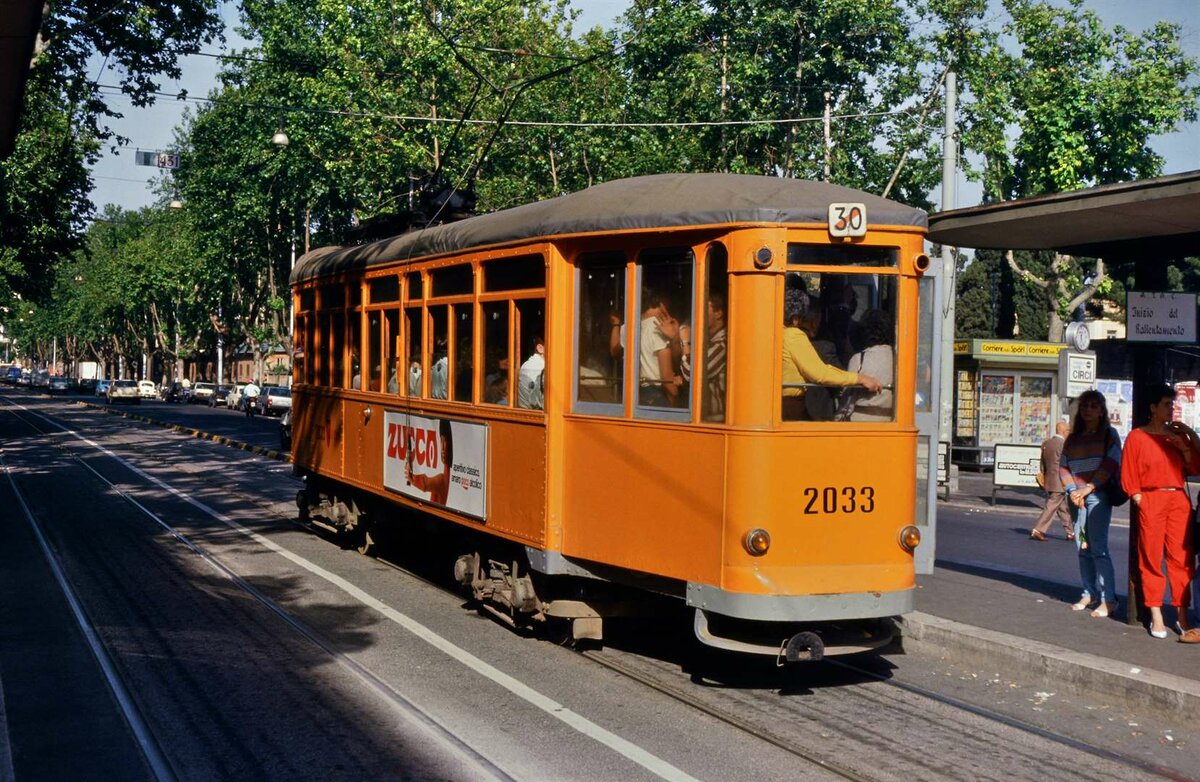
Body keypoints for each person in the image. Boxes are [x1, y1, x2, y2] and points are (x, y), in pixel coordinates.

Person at [1120, 384, 1200, 640]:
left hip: (1178, 497)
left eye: (1171, 404)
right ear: (1153, 408)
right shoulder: (1137, 436)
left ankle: (1182, 613)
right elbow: (1129, 471)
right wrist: (1139, 497)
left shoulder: (1176, 436)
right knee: (1151, 556)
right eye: (1166, 404)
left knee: (1182, 559)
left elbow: (1194, 467)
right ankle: (1155, 612)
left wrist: (1184, 443)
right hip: (1152, 497)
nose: (1170, 409)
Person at [1059, 389, 1123, 618]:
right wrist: (1072, 490)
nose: (1088, 410)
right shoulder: (1073, 438)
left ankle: (1109, 599)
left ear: (1102, 411)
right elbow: (1063, 466)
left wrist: (1089, 487)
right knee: (1082, 548)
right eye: (1085, 406)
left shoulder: (1109, 434)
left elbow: (1112, 463)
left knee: (1099, 548)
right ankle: (1089, 592)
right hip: (1075, 496)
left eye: (1094, 406)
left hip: (1097, 495)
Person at [781, 289, 880, 421]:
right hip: (791, 406)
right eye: (803, 318)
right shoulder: (793, 335)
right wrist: (859, 378)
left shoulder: (779, 332)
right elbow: (819, 374)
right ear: (795, 319)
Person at [843, 309, 894, 422]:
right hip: (890, 420)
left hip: (861, 422)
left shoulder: (859, 359)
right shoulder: (898, 359)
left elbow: (848, 400)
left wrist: (837, 419)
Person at [637, 288, 683, 407]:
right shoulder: (657, 327)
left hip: (638, 392)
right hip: (657, 392)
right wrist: (677, 398)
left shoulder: (630, 325)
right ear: (661, 305)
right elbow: (666, 375)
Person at [1030, 420, 1074, 541]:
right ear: (1065, 431)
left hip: (1049, 480)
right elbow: (1067, 463)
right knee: (1051, 506)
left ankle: (1071, 532)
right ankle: (1038, 529)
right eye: (1069, 431)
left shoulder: (1047, 443)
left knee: (1062, 507)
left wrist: (1045, 476)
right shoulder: (1063, 445)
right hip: (1060, 481)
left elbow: (1042, 463)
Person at [405, 418, 452, 506]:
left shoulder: (442, 480)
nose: (442, 448)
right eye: (441, 441)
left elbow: (424, 484)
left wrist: (411, 475)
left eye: (445, 442)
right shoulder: (444, 479)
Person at [517, 336, 546, 410]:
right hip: (533, 416)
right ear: (540, 348)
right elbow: (541, 403)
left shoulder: (532, 364)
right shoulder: (535, 367)